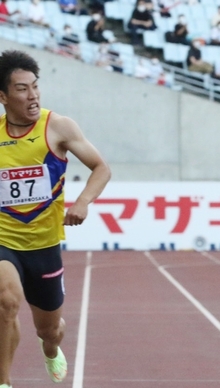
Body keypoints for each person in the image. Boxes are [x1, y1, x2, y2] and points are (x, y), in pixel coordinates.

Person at [0, 50, 111, 388]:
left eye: (35, 86)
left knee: (50, 330)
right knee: (5, 302)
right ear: (3, 97)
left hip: (45, 244)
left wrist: (83, 202)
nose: (32, 95)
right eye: (22, 89)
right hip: (4, 240)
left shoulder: (58, 127)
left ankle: (50, 350)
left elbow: (101, 169)